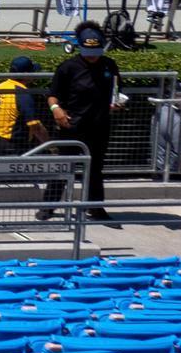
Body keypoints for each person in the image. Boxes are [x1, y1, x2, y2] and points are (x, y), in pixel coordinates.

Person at [45, 39, 124, 219]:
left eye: (96, 51)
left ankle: (95, 207)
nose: (92, 56)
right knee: (63, 166)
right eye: (88, 51)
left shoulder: (109, 65)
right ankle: (48, 206)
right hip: (72, 125)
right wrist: (56, 110)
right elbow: (52, 95)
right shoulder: (68, 67)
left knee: (95, 169)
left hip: (99, 125)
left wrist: (118, 103)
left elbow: (117, 91)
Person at [0, 55, 48, 157]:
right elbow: (35, 126)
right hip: (15, 146)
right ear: (26, 74)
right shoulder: (23, 94)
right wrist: (49, 145)